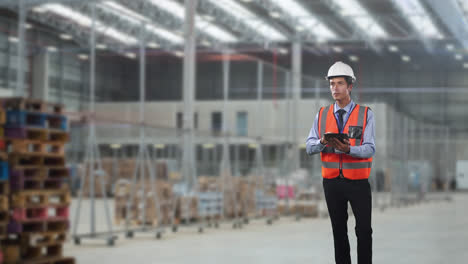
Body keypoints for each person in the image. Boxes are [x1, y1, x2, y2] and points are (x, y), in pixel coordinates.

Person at [306, 61, 376, 264]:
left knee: (364, 231)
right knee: (338, 232)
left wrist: (349, 149)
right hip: (332, 183)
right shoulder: (322, 114)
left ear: (350, 86)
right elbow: (309, 147)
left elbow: (370, 148)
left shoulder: (365, 114)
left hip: (358, 183)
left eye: (339, 83)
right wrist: (321, 141)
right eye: (331, 84)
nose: (334, 88)